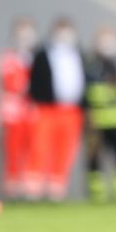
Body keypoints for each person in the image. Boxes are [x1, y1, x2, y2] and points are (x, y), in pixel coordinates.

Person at [26, 18, 86, 201]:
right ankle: (33, 189)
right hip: (47, 108)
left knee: (66, 149)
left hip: (71, 110)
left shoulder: (78, 55)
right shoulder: (42, 55)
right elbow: (34, 81)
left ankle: (57, 189)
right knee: (40, 146)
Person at [84, 27, 116, 203]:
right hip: (97, 123)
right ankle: (96, 193)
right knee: (95, 157)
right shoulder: (91, 69)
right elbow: (85, 95)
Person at [0, 17, 38, 199]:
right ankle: (12, 189)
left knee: (32, 150)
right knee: (13, 151)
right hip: (13, 111)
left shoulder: (36, 58)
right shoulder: (8, 57)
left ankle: (28, 189)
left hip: (31, 111)